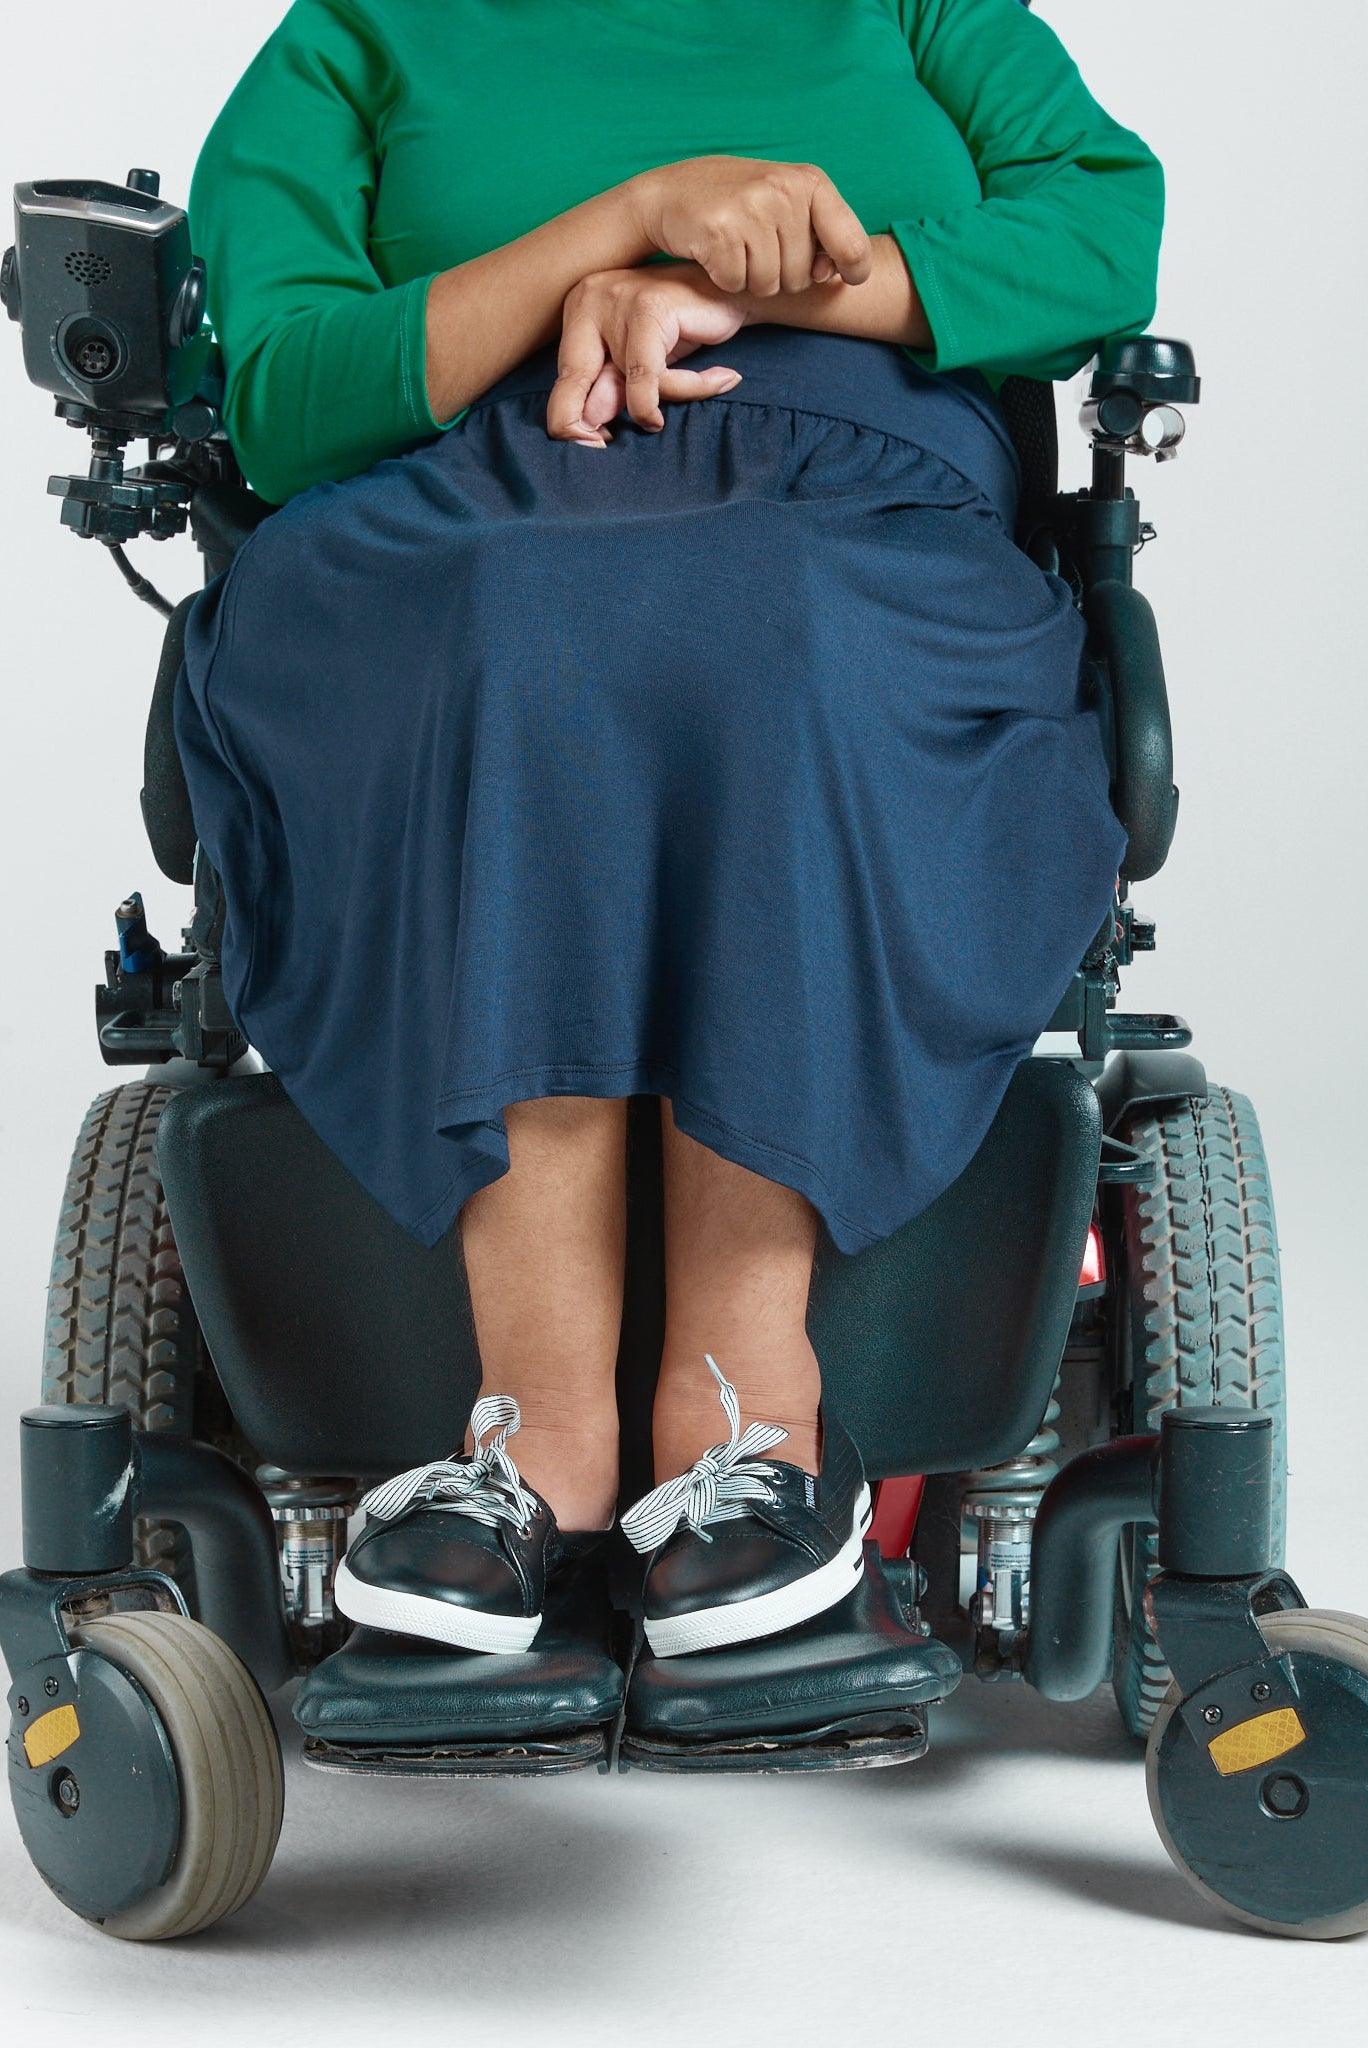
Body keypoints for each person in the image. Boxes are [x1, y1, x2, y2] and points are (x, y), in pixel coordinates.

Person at [174, 0, 1162, 1665]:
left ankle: (744, 1410)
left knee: (774, 618)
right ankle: (531, 1432)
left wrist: (729, 286)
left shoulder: (919, 7)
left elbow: (1098, 231)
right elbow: (280, 391)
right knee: (527, 627)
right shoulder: (356, 34)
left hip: (854, 495)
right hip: (469, 511)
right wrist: (622, 225)